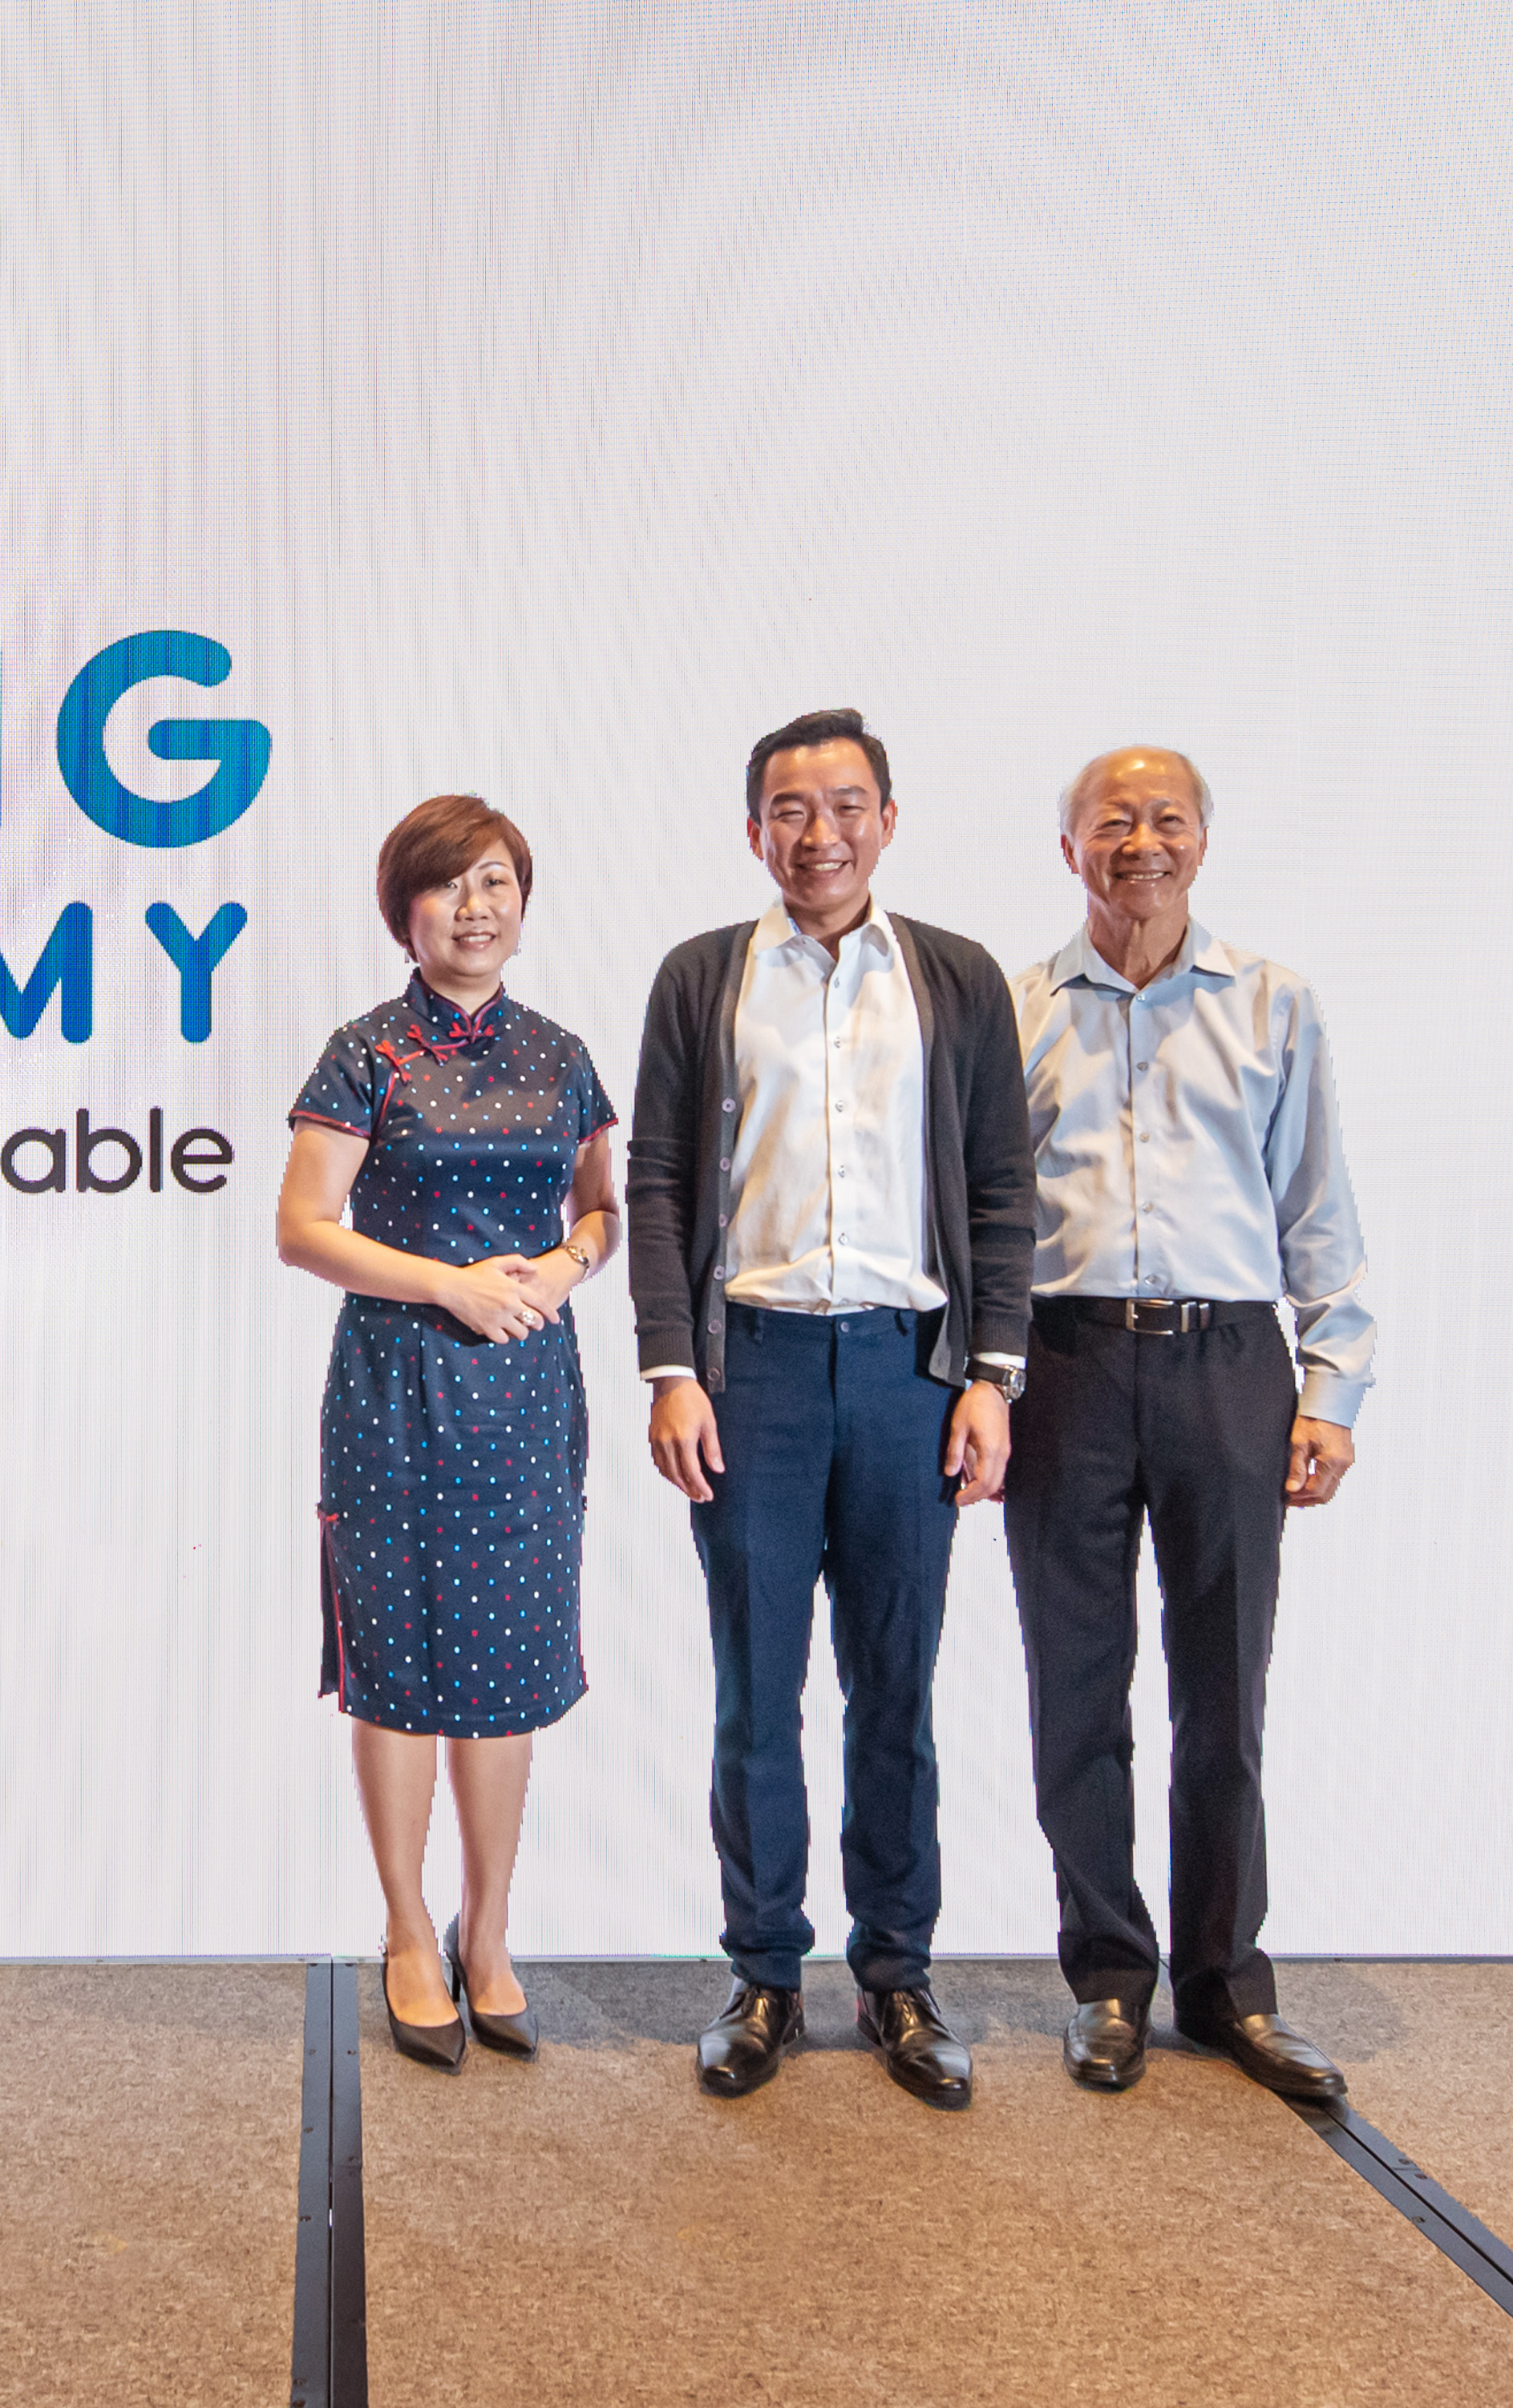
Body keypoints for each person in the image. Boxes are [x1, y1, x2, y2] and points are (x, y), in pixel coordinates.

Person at [627, 708, 1034, 2108]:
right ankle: (763, 1975)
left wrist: (993, 1377)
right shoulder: (701, 978)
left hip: (910, 1373)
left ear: (889, 820)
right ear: (756, 831)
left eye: (846, 806)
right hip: (754, 1373)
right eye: (791, 810)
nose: (820, 834)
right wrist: (671, 1367)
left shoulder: (957, 979)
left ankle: (899, 1976)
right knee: (757, 1692)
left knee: (896, 1692)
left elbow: (998, 1187)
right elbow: (662, 1185)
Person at [1004, 746, 1372, 2099]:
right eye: (1114, 821)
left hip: (1230, 1366)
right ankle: (1108, 1978)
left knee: (1225, 1692)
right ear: (1072, 849)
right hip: (1067, 1362)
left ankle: (1226, 1986)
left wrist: (1331, 1385)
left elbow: (1317, 1209)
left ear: (1203, 845)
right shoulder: (1019, 1006)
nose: (1140, 842)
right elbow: (983, 1218)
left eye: (1167, 820)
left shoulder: (1273, 1003)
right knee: (1077, 1690)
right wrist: (980, 1387)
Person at [277, 794, 621, 2067]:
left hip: (529, 1390)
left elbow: (599, 1208)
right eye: (449, 887)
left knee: (509, 1665)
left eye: (495, 883)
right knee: (403, 1663)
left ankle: (491, 1932)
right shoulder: (366, 1052)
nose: (475, 908)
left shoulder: (562, 1052)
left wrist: (567, 1267)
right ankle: (409, 1930)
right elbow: (303, 1227)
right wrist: (450, 1281)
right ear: (404, 912)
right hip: (398, 1385)